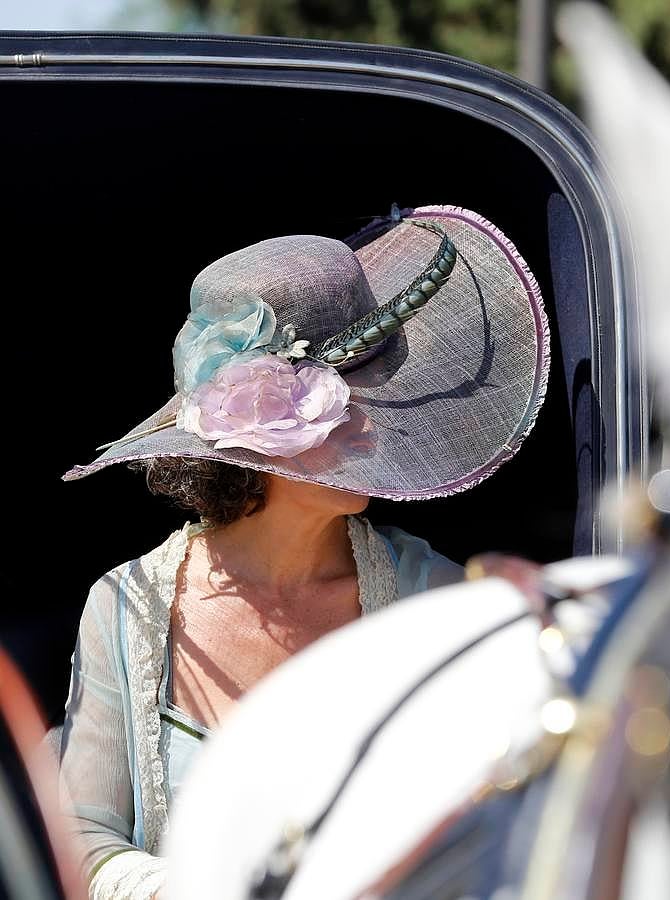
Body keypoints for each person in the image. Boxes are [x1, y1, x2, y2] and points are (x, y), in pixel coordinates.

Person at [57, 205, 551, 900]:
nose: (378, 422)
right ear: (261, 438)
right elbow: (83, 835)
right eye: (349, 398)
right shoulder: (126, 606)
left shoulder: (435, 597)